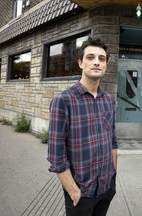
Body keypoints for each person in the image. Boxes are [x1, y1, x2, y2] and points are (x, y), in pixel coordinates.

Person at [47, 36, 118, 216]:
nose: (96, 62)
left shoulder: (108, 100)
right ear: (80, 63)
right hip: (81, 193)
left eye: (101, 59)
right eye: (90, 57)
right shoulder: (63, 100)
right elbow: (56, 156)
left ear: (106, 65)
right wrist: (72, 190)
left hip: (106, 188)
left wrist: (112, 179)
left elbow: (113, 141)